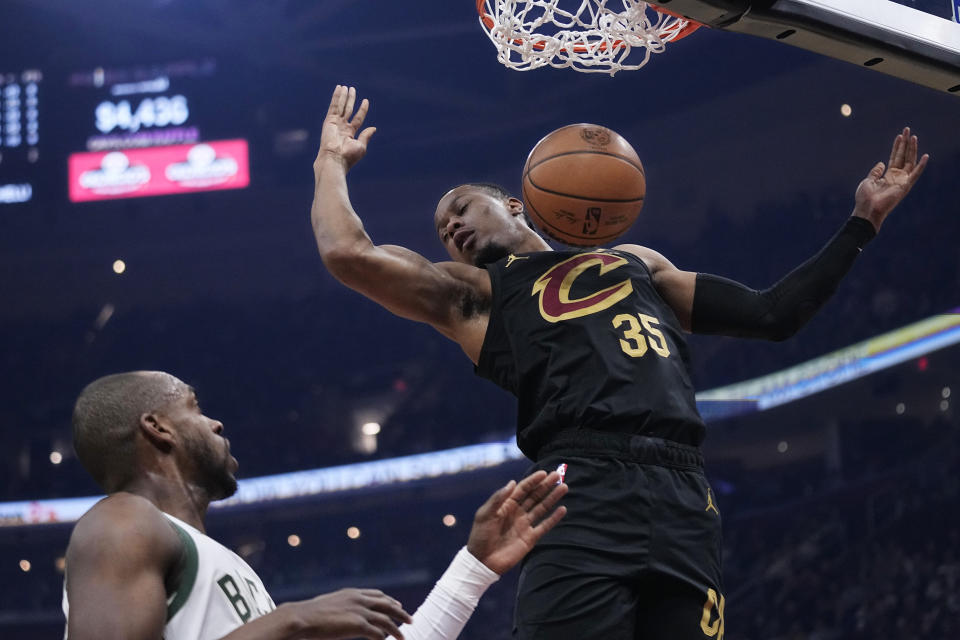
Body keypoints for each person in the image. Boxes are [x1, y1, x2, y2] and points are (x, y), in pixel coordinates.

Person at [310, 85, 928, 640]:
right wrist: (331, 161)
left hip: (684, 491)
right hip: (579, 489)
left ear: (517, 204)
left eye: (464, 208)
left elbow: (772, 315)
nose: (452, 227)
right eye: (444, 230)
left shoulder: (637, 261)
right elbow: (348, 253)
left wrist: (862, 221)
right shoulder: (473, 296)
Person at [63, 370, 568, 640]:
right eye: (195, 407)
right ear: (158, 427)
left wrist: (473, 567)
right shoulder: (123, 521)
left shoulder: (223, 567)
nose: (216, 423)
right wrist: (291, 620)